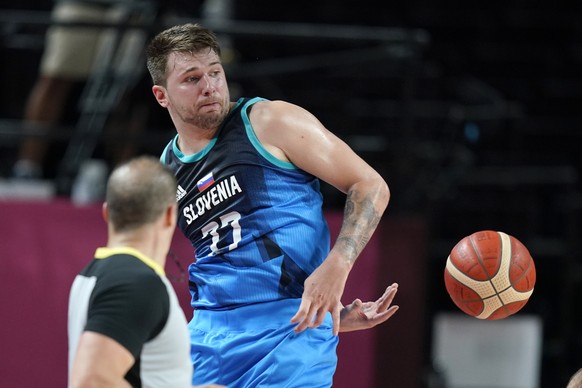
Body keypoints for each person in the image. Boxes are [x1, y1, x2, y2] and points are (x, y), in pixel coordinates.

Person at [146, 23, 397, 387]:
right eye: (192, 78)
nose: (210, 86)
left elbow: (371, 185)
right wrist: (335, 314)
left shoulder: (268, 121)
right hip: (207, 337)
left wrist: (337, 266)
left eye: (215, 72)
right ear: (161, 95)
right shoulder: (166, 168)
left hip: (289, 336)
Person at [67, 155, 224, 388]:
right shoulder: (137, 283)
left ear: (107, 213)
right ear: (171, 214)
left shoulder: (94, 273)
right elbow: (91, 381)